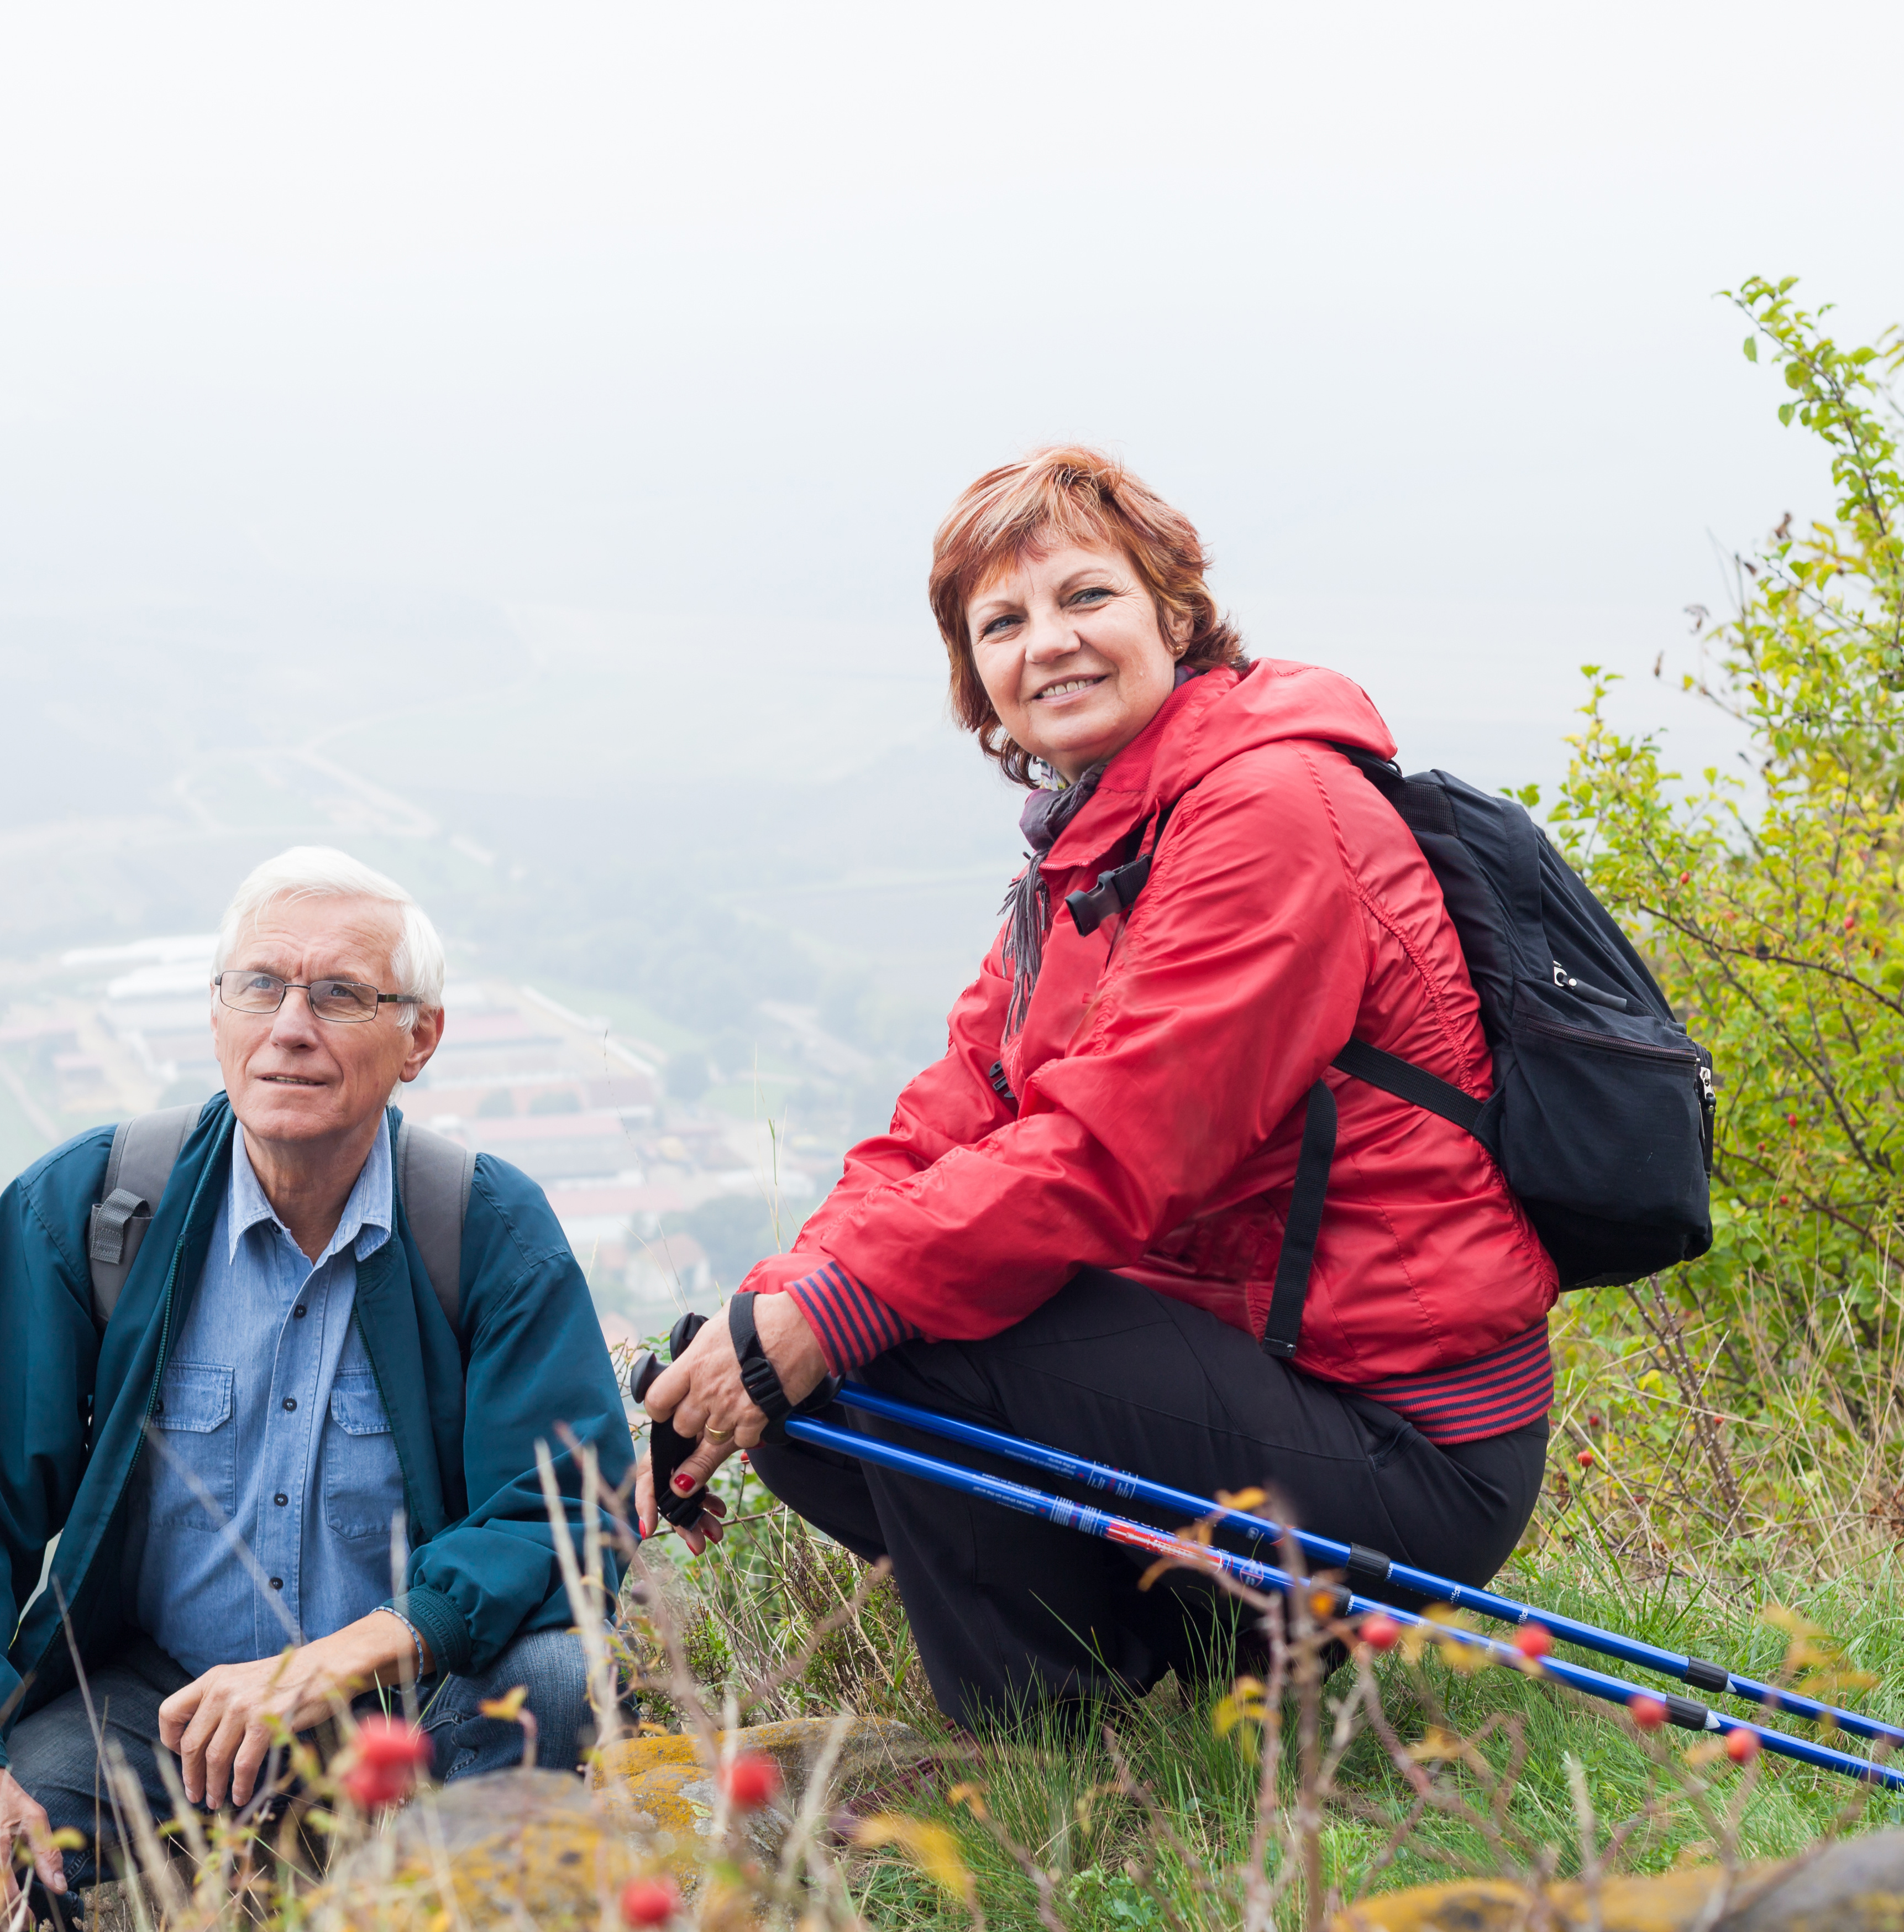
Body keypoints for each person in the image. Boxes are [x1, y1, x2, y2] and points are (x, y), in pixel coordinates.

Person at [639, 448, 1556, 1726]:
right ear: (979, 685)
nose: (1048, 645)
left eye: (1086, 598)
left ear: (1173, 616)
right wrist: (762, 1317)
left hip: (1398, 1445)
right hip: (1256, 1393)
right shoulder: (1095, 852)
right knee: (803, 1364)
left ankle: (1055, 1762)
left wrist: (832, 1317)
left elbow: (1107, 1153)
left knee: (893, 1336)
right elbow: (943, 1124)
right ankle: (1142, 1664)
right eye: (1002, 624)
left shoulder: (1268, 812)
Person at [0, 846, 633, 1925]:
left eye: (339, 995)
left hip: (395, 1696)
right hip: (160, 1703)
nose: (291, 1025)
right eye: (260, 987)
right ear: (217, 1013)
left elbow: (568, 1506)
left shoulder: (478, 1228)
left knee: (550, 1678)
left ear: (419, 1037)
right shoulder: (94, 1213)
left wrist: (336, 1661)